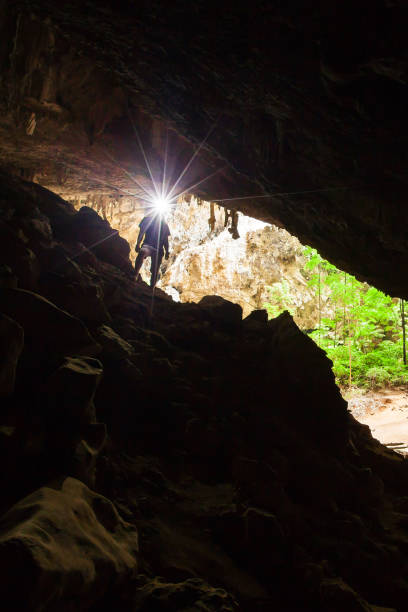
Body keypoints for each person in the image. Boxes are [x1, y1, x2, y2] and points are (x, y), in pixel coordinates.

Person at [133, 212, 170, 288]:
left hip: (158, 249)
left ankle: (152, 286)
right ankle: (135, 275)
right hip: (148, 245)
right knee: (142, 253)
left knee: (155, 267)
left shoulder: (164, 225)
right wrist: (138, 244)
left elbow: (165, 241)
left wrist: (167, 252)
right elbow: (141, 232)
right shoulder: (147, 220)